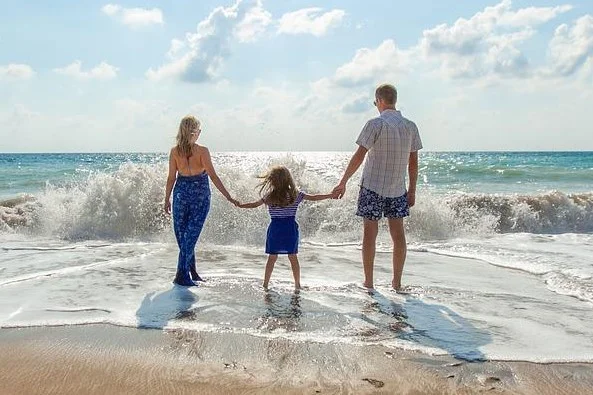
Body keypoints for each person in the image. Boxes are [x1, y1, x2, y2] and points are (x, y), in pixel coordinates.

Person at [332, 84, 422, 291]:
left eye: (375, 102)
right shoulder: (410, 126)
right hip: (398, 189)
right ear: (394, 100)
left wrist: (343, 181)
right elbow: (414, 163)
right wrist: (413, 190)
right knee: (398, 236)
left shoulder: (375, 124)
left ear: (379, 100)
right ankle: (396, 283)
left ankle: (369, 282)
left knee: (369, 235)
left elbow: (359, 156)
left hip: (372, 186)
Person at [164, 115, 238, 286]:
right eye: (198, 130)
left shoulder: (175, 151)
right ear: (195, 132)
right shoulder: (201, 151)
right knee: (187, 237)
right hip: (198, 195)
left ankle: (191, 272)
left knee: (186, 237)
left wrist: (167, 198)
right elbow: (212, 175)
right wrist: (228, 196)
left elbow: (171, 178)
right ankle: (182, 275)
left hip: (181, 194)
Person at [237, 165, 333, 290]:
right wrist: (330, 195)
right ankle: (297, 284)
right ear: (288, 179)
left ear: (272, 181)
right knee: (293, 257)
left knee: (272, 258)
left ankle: (265, 284)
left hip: (275, 229)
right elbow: (314, 197)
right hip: (290, 230)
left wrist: (240, 205)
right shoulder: (295, 195)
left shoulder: (269, 196)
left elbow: (254, 204)